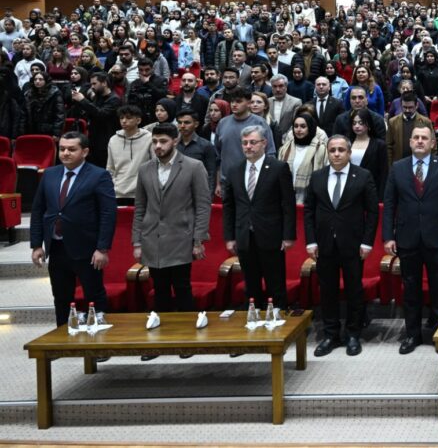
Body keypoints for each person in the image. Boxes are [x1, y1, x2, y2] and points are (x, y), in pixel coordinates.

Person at [382, 120, 438, 355]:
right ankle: (412, 334)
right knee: (411, 289)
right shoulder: (398, 167)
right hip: (407, 238)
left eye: (424, 138)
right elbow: (389, 205)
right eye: (416, 137)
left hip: (437, 237)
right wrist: (388, 236)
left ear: (432, 143)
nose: (419, 141)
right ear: (409, 141)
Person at [30, 133, 117, 327]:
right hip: (57, 246)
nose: (65, 153)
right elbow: (38, 211)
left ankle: (99, 341)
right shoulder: (50, 174)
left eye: (71, 149)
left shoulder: (99, 175)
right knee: (61, 297)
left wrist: (102, 248)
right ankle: (62, 337)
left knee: (94, 296)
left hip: (87, 248)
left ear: (84, 152)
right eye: (62, 149)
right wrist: (36, 245)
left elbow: (108, 214)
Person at [305, 135, 380, 357]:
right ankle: (330, 334)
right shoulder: (317, 177)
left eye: (341, 150)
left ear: (349, 153)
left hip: (353, 244)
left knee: (354, 289)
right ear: (327, 153)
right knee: (327, 290)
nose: (336, 154)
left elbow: (373, 211)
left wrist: (367, 241)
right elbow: (309, 211)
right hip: (324, 244)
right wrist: (310, 240)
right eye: (332, 150)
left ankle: (354, 334)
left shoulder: (363, 176)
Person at [132, 124, 211, 331]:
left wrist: (199, 239)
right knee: (159, 291)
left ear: (175, 141)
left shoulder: (194, 166)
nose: (158, 146)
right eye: (155, 141)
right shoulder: (145, 168)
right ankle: (162, 339)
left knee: (182, 288)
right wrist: (137, 241)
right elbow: (140, 207)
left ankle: (187, 338)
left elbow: (203, 205)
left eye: (163, 141)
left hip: (181, 237)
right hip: (152, 238)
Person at [222, 125, 296, 310]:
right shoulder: (234, 170)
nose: (248, 146)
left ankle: (278, 320)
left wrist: (288, 236)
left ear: (264, 143)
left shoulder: (278, 168)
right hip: (244, 236)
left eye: (252, 142)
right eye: (245, 143)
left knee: (275, 283)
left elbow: (288, 205)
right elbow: (229, 206)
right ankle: (254, 322)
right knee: (251, 284)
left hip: (271, 235)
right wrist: (229, 237)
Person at [106, 104, 153, 206]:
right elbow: (110, 168)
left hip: (142, 192)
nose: (124, 121)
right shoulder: (113, 140)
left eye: (128, 118)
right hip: (117, 192)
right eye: (121, 118)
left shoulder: (149, 138)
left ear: (138, 120)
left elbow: (155, 165)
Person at [279, 113, 329, 204]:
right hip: (287, 197)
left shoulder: (321, 149)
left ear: (310, 127)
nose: (298, 130)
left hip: (311, 198)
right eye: (296, 126)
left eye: (303, 126)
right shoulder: (285, 148)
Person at [176, 108, 217, 196]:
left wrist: (208, 197)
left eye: (187, 122)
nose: (182, 126)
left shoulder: (206, 146)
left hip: (198, 193)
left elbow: (211, 173)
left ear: (196, 124)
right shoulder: (173, 145)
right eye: (179, 122)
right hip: (175, 194)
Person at [387, 93, 433, 166]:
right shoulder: (393, 122)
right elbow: (388, 147)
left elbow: (432, 147)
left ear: (417, 105)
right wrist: (390, 167)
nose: (407, 110)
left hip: (420, 165)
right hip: (399, 165)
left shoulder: (426, 122)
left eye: (410, 107)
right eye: (404, 107)